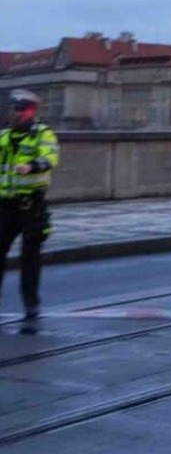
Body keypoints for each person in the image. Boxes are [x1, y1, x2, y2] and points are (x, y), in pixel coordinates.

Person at [0, 90, 60, 334]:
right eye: (13, 110)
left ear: (30, 112)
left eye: (19, 110)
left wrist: (32, 166)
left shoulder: (42, 134)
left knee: (30, 257)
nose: (14, 114)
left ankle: (31, 303)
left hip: (31, 205)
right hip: (5, 205)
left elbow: (50, 159)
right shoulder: (3, 136)